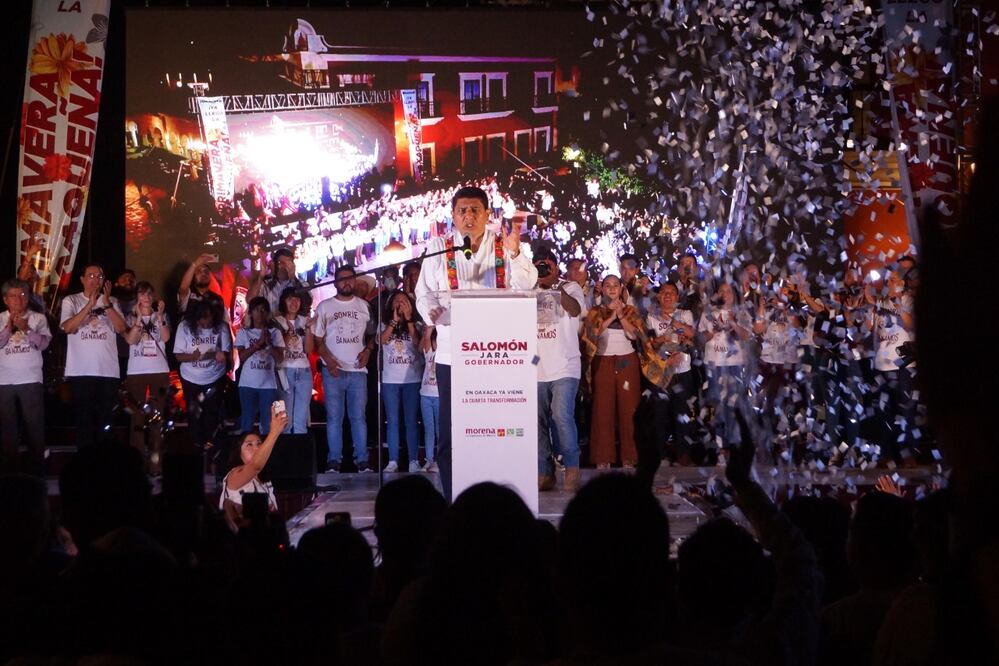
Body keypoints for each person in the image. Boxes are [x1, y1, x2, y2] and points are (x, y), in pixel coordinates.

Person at [414, 186, 538, 500]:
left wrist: (516, 253)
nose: (468, 216)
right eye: (462, 211)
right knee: (451, 433)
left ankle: (499, 495)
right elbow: (424, 293)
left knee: (495, 428)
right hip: (453, 355)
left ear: (487, 214)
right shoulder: (439, 248)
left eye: (475, 210)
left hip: (496, 355)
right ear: (453, 215)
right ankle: (455, 496)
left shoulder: (506, 246)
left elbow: (528, 284)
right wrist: (432, 312)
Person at [313, 265, 375, 472]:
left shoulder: (364, 306)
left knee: (358, 417)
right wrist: (329, 361)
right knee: (334, 417)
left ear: (355, 281)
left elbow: (372, 335)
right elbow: (318, 339)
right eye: (342, 279)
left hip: (358, 370)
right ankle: (334, 460)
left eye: (350, 278)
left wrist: (367, 351)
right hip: (333, 370)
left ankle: (362, 459)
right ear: (335, 282)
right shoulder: (324, 307)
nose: (347, 282)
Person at [60, 264, 127, 448]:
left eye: (99, 276)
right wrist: (89, 304)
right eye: (91, 275)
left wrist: (106, 304)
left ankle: (105, 463)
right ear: (82, 279)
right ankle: (85, 463)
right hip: (82, 371)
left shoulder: (111, 300)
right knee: (84, 420)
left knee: (106, 421)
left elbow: (122, 329)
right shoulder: (71, 301)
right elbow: (68, 328)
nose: (95, 280)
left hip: (108, 371)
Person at [580, 274, 644, 470]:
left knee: (630, 409)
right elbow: (591, 335)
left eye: (615, 285)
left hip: (627, 361)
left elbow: (634, 335)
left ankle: (630, 457)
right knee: (603, 409)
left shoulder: (631, 310)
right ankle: (603, 457)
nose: (611, 288)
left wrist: (622, 316)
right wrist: (611, 317)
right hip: (603, 360)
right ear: (602, 289)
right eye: (607, 285)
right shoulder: (595, 311)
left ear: (621, 288)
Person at [534, 249, 584, 492]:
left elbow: (575, 310)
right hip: (536, 366)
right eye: (539, 265)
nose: (543, 269)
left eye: (547, 264)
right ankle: (545, 472)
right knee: (537, 421)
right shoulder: (527, 289)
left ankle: (572, 467)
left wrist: (554, 285)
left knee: (561, 416)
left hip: (566, 364)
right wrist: (535, 283)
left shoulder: (570, 286)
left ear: (555, 265)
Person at [0, 278, 51, 474]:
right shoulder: (0, 318)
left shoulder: (38, 318)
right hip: (4, 380)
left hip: (30, 379)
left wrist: (26, 329)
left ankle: (37, 472)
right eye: (13, 296)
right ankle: (9, 474)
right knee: (7, 429)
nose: (18, 300)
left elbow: (44, 344)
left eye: (22, 295)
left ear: (28, 298)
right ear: (5, 300)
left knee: (34, 428)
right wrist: (9, 327)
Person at [646, 282, 698, 465]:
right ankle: (660, 455)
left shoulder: (685, 314)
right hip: (661, 372)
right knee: (660, 414)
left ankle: (683, 454)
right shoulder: (651, 317)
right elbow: (651, 344)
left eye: (672, 293)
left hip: (683, 370)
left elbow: (691, 335)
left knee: (682, 413)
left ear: (677, 297)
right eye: (664, 293)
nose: (667, 296)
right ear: (659, 296)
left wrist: (673, 321)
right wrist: (666, 338)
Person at [122, 282, 171, 472]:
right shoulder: (130, 317)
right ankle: (137, 466)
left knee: (157, 417)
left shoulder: (161, 316)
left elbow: (165, 338)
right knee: (138, 418)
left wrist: (159, 317)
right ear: (137, 297)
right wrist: (139, 319)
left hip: (159, 370)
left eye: (150, 294)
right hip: (136, 371)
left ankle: (156, 465)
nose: (147, 298)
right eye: (142, 294)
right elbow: (130, 340)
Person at [698, 280, 752, 449]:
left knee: (734, 403)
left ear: (734, 295)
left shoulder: (742, 313)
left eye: (728, 291)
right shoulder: (708, 313)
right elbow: (700, 339)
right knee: (717, 403)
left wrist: (733, 323)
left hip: (735, 365)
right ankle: (720, 445)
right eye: (721, 291)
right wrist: (714, 328)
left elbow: (746, 336)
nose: (724, 294)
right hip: (714, 364)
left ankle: (734, 443)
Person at [219, 405, 289, 531]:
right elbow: (256, 466)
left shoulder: (265, 481)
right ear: (239, 453)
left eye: (259, 444)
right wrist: (274, 432)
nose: (256, 448)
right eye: (249, 445)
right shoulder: (234, 475)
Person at [173, 298, 231, 450]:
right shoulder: (184, 327)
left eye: (208, 319)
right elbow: (178, 355)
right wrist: (192, 357)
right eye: (202, 320)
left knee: (211, 411)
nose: (205, 323)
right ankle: (196, 445)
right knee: (194, 412)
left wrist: (223, 355)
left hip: (214, 377)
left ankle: (212, 447)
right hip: (191, 378)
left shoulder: (222, 327)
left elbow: (226, 351)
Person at [379, 291, 424, 473]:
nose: (400, 304)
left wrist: (409, 320)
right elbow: (381, 341)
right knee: (392, 420)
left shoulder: (418, 325)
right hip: (390, 379)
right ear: (390, 305)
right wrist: (394, 321)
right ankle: (393, 460)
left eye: (404, 301)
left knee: (411, 421)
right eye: (397, 301)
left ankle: (413, 460)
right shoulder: (384, 324)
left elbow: (419, 345)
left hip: (412, 379)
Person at [235, 297, 284, 435]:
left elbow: (280, 358)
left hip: (268, 384)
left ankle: (266, 452)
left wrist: (268, 344)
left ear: (267, 312)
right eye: (257, 310)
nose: (260, 313)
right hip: (247, 383)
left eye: (263, 310)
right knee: (247, 419)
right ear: (251, 312)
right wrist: (257, 344)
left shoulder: (275, 332)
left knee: (267, 421)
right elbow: (242, 357)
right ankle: (245, 450)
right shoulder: (244, 332)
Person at [274, 287, 314, 434]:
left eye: (297, 299)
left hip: (304, 370)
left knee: (300, 420)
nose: (294, 302)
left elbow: (309, 350)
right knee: (284, 420)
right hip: (283, 371)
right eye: (290, 299)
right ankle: (284, 453)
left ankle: (299, 455)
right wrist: (289, 334)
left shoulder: (305, 321)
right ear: (283, 301)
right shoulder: (276, 322)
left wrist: (309, 330)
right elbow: (277, 350)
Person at [248, 246, 304, 314]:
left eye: (287, 263)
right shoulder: (265, 285)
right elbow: (250, 300)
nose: (283, 267)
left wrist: (293, 278)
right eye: (280, 262)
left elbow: (307, 301)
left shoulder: (301, 284)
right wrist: (261, 276)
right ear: (273, 264)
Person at [178, 252, 226, 317]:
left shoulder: (218, 299)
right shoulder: (188, 295)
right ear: (193, 275)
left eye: (206, 271)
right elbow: (183, 288)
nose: (203, 274)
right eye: (199, 271)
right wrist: (195, 264)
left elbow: (224, 323)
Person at [419, 325, 439, 473]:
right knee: (429, 429)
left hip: (439, 397)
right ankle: (429, 459)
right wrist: (430, 328)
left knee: (440, 430)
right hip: (425, 395)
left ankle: (440, 460)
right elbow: (426, 338)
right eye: (434, 341)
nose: (435, 343)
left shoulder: (446, 358)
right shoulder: (429, 353)